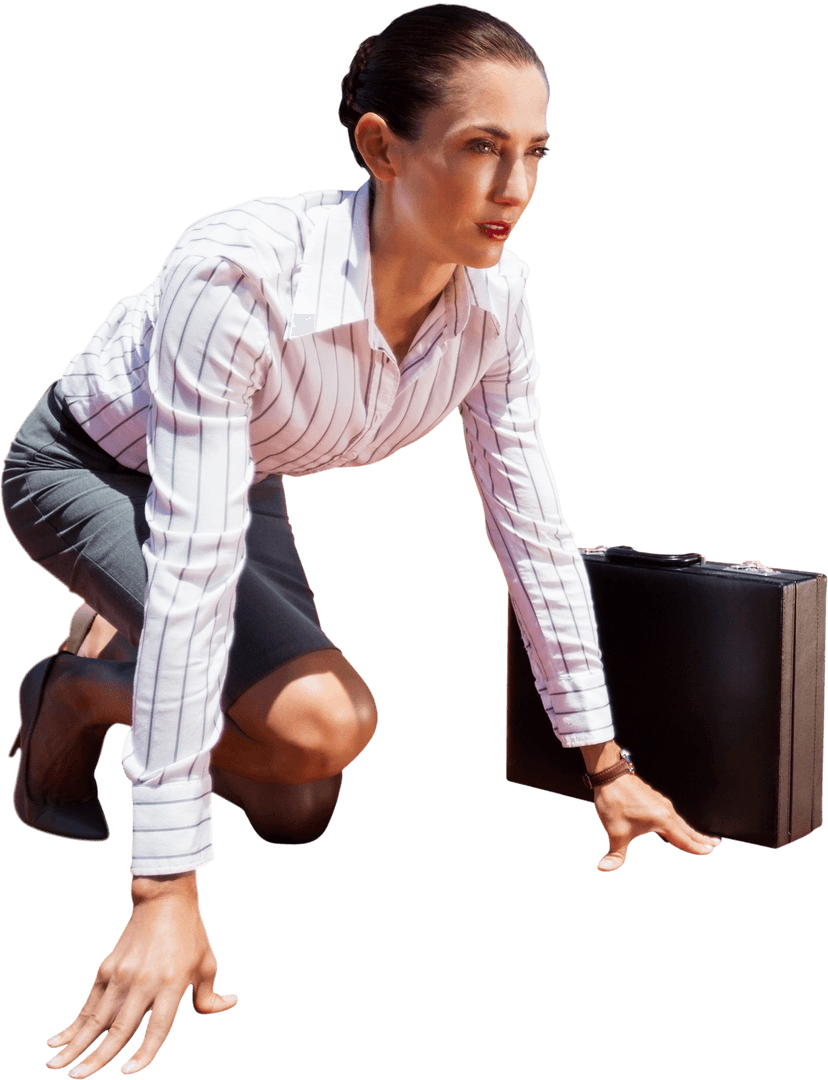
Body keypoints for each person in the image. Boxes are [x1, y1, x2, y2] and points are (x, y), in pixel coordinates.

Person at [3, 5, 722, 1076]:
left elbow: (532, 535)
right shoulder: (238, 273)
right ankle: (92, 673)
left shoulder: (497, 306)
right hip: (91, 464)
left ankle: (94, 681)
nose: (514, 190)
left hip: (236, 471)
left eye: (533, 154)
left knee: (299, 798)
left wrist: (603, 763)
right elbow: (197, 562)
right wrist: (166, 889)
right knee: (330, 719)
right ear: (381, 146)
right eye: (481, 148)